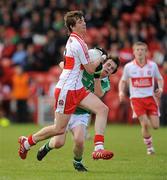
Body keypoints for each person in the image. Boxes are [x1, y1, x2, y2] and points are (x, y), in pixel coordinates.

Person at [18, 11, 114, 161]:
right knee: (59, 130)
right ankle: (28, 142)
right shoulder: (78, 43)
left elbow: (70, 65)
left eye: (83, 20)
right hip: (67, 90)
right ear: (72, 26)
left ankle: (98, 148)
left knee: (102, 109)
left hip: (77, 88)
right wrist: (101, 57)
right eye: (80, 21)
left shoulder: (75, 41)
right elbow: (89, 69)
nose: (84, 23)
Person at [36, 55, 120, 172]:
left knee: (79, 140)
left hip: (81, 114)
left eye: (111, 69)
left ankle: (77, 162)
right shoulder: (88, 68)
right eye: (108, 65)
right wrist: (67, 68)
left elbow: (98, 94)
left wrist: (97, 77)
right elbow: (62, 64)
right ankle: (46, 147)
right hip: (65, 109)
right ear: (102, 63)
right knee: (59, 143)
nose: (108, 68)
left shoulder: (105, 82)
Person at [119, 41, 164, 155]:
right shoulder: (129, 67)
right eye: (137, 50)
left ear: (146, 52)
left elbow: (160, 78)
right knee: (144, 124)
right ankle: (149, 147)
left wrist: (161, 88)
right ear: (133, 52)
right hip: (136, 99)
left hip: (150, 98)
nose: (140, 52)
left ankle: (149, 137)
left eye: (142, 50)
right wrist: (121, 92)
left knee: (156, 126)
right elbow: (123, 81)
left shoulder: (152, 65)